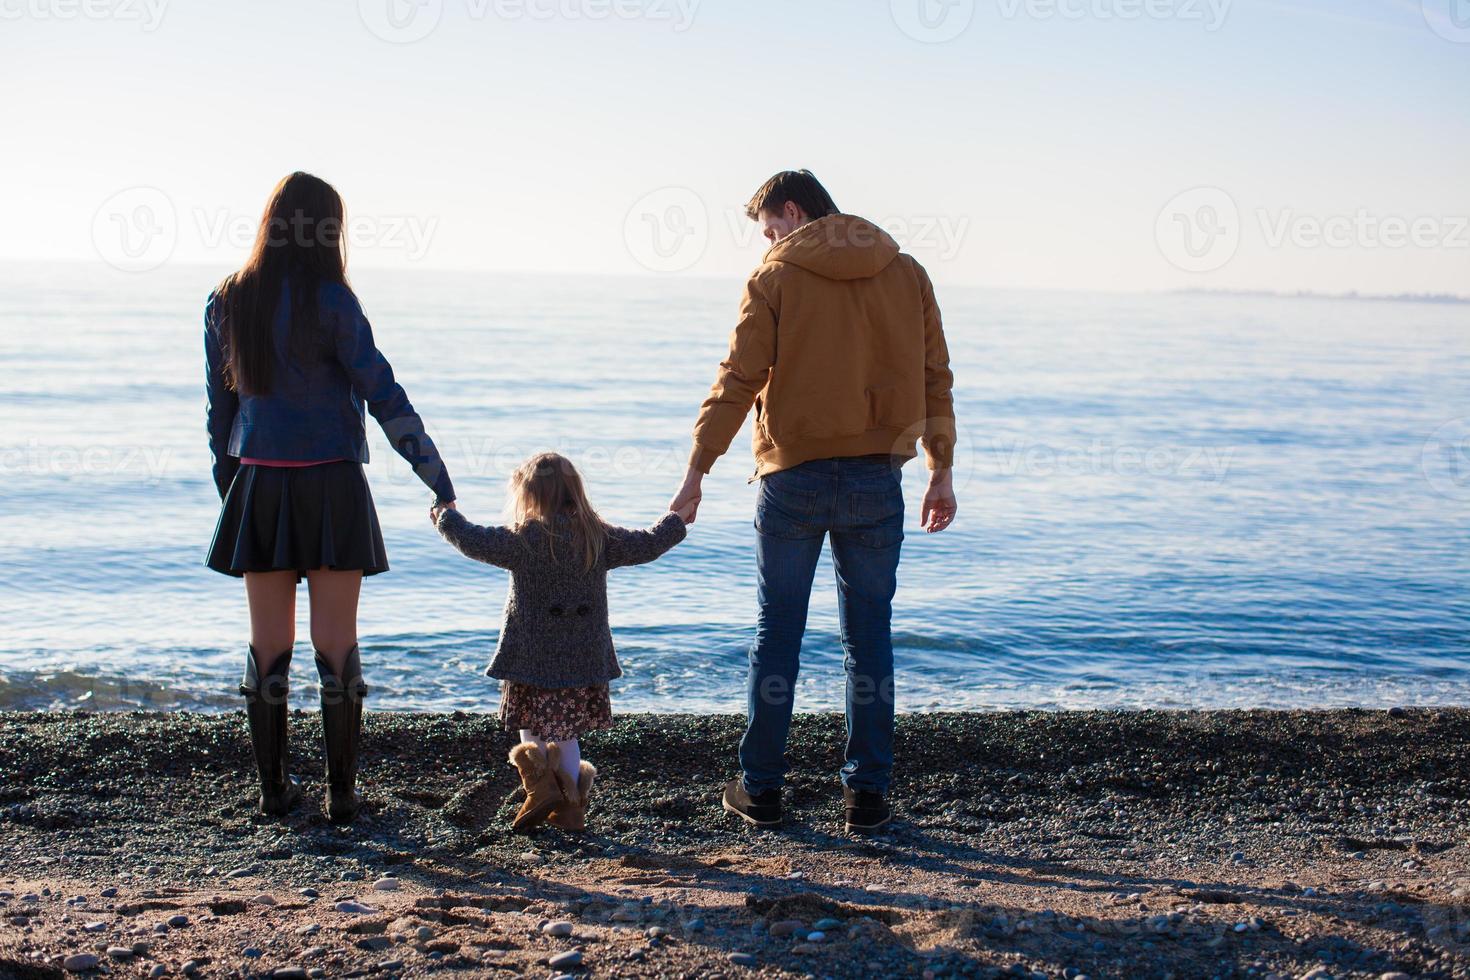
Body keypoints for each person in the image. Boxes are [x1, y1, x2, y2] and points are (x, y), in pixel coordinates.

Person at [667, 170, 957, 833]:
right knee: (869, 639)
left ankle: (762, 790)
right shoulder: (906, 273)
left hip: (791, 477)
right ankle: (867, 796)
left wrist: (697, 470)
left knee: (779, 636)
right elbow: (934, 375)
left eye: (770, 230)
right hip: (877, 478)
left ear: (793, 212)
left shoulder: (775, 277)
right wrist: (941, 470)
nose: (767, 243)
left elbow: (739, 379)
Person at [204, 171, 457, 823]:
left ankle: (272, 793)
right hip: (333, 484)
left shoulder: (228, 299)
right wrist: (434, 474)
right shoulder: (334, 301)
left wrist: (231, 489)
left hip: (259, 482)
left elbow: (219, 411)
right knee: (336, 645)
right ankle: (342, 796)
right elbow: (383, 394)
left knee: (268, 649)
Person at [433, 452, 690, 832]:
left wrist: (445, 516)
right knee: (566, 735)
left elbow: (474, 541)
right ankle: (568, 808)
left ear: (531, 495)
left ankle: (541, 791)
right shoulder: (598, 535)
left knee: (529, 724)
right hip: (582, 657)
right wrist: (677, 518)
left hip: (531, 656)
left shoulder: (522, 538)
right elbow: (648, 544)